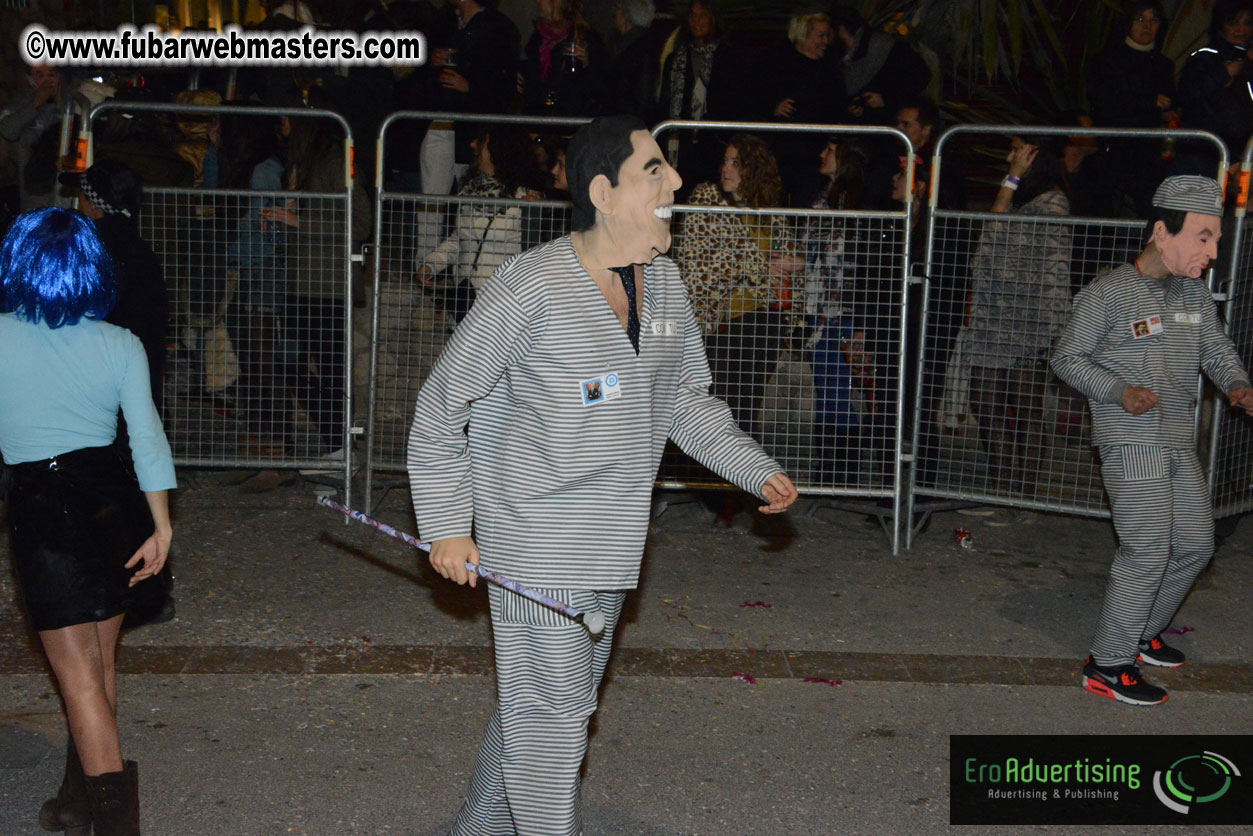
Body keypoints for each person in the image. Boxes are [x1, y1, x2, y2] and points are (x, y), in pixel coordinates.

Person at [408, 114, 798, 835]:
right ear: (603, 192)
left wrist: (754, 468)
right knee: (553, 719)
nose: (676, 181)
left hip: (612, 548)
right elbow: (440, 407)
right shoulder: (530, 287)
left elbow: (682, 399)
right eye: (653, 170)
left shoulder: (666, 284)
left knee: (551, 704)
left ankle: (479, 827)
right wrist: (446, 529)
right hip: (532, 542)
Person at [0, 207, 176, 835]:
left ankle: (113, 826)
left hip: (45, 513)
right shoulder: (120, 343)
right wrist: (162, 528)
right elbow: (148, 440)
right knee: (98, 672)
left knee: (78, 683)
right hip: (114, 509)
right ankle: (77, 802)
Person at [1051, 175, 1253, 705]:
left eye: (1216, 239)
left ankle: (1139, 635)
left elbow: (1215, 347)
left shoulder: (1193, 295)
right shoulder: (1107, 293)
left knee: (1194, 545)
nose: (1213, 251)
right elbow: (1067, 358)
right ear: (1162, 233)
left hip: (1175, 438)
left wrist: (1236, 384)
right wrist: (1119, 391)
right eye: (1204, 237)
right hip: (1130, 439)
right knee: (1146, 550)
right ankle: (1108, 664)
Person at [673, 134, 801, 523]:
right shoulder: (706, 199)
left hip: (763, 320)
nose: (726, 169)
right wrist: (763, 265)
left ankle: (746, 488)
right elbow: (700, 264)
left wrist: (782, 264)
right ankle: (722, 494)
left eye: (736, 163)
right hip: (719, 322)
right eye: (724, 161)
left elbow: (791, 255)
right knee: (720, 402)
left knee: (748, 403)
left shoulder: (768, 209)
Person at [967, 135, 1072, 499]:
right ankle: (1001, 486)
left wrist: (1055, 326)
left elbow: (1054, 268)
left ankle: (1023, 493)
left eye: (1016, 150)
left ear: (1034, 156)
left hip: (1029, 318)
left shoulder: (1053, 202)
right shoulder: (1014, 199)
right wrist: (1010, 181)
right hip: (992, 314)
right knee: (983, 399)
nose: (1009, 157)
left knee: (1025, 405)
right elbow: (990, 234)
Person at [414, 123, 544, 323]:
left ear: (498, 151)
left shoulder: (526, 199)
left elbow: (533, 254)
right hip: (467, 302)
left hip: (504, 305)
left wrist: (535, 211)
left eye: (481, 142)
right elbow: (459, 240)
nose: (472, 145)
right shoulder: (468, 192)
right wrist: (430, 264)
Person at [1086, 1, 1177, 216]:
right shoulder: (1106, 60)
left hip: (1149, 154)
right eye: (1140, 19)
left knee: (1153, 217)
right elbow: (1103, 104)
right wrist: (1147, 102)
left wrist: (1171, 113)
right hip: (1112, 151)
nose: (1147, 26)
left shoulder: (1164, 65)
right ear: (1128, 23)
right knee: (1102, 220)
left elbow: (1171, 103)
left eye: (1153, 20)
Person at [754, 10, 846, 205]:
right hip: (781, 152)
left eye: (827, 36)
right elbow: (752, 99)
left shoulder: (830, 68)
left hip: (815, 155)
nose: (825, 41)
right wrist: (773, 108)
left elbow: (838, 106)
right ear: (803, 35)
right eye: (820, 36)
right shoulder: (776, 62)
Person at [655, 0, 736, 195]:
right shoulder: (676, 59)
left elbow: (732, 102)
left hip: (711, 145)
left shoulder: (726, 58)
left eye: (702, 16)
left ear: (713, 19)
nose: (696, 21)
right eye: (692, 16)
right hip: (678, 145)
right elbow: (664, 102)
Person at [1176, 0, 1253, 175]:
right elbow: (1187, 97)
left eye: (1248, 23)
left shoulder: (1248, 62)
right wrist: (1222, 74)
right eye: (1233, 23)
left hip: (1240, 156)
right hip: (1203, 152)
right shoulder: (1204, 57)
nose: (1241, 29)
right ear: (1220, 25)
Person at [521, 0, 609, 117]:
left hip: (571, 120)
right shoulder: (538, 38)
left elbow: (601, 88)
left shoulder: (584, 38)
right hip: (539, 118)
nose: (537, 2)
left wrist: (587, 64)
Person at [0, 63, 67, 211]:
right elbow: (7, 130)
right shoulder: (23, 100)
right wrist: (35, 104)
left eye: (51, 74)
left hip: (67, 191)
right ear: (30, 79)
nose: (47, 81)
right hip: (35, 194)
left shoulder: (72, 101)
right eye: (39, 75)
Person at [605, 0, 658, 121]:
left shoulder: (639, 51)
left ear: (627, 16)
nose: (613, 12)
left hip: (627, 122)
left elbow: (642, 98)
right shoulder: (622, 45)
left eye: (617, 8)